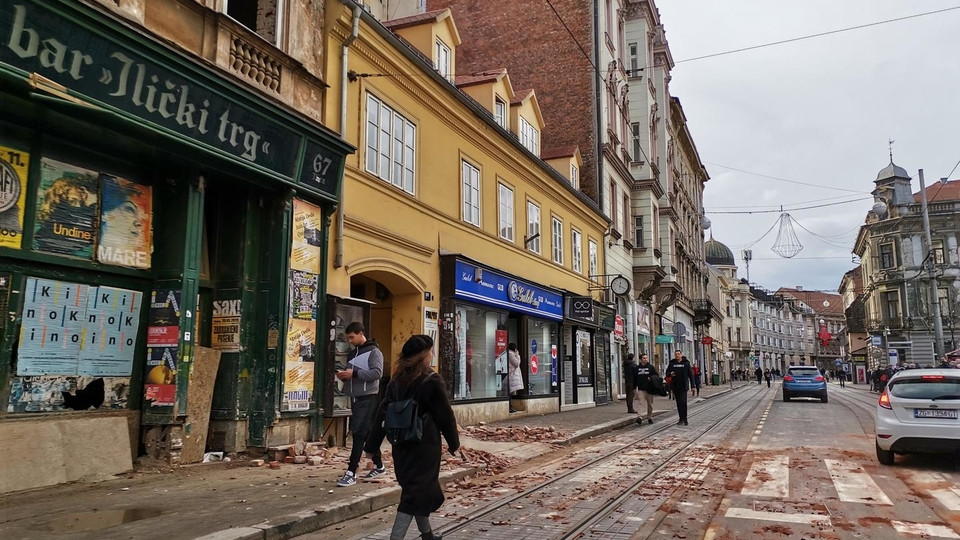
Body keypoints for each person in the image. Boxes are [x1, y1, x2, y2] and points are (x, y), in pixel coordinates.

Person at [364, 335, 459, 540]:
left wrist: (371, 446)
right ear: (424, 356)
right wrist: (454, 444)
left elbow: (382, 413)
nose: (432, 355)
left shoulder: (396, 380)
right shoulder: (431, 380)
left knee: (418, 490)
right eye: (431, 351)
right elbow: (445, 416)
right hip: (425, 447)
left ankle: (427, 535)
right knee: (414, 495)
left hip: (401, 445)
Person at [335, 322, 386, 487]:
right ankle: (379, 466)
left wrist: (354, 374)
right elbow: (353, 374)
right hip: (355, 397)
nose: (350, 340)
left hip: (368, 397)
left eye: (352, 337)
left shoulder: (374, 351)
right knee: (368, 433)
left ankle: (351, 472)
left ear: (360, 333)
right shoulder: (352, 353)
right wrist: (344, 376)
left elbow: (377, 373)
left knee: (358, 433)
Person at [667, 351, 695, 425]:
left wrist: (693, 386)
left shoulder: (686, 363)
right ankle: (681, 418)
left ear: (681, 355)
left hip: (683, 386)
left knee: (683, 402)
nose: (677, 355)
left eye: (678, 354)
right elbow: (667, 373)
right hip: (675, 386)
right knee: (679, 403)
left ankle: (684, 419)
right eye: (676, 354)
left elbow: (691, 375)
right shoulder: (672, 363)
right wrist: (670, 374)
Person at [634, 353, 658, 425]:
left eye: (646, 358)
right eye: (644, 358)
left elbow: (656, 376)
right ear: (641, 359)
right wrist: (634, 388)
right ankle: (639, 417)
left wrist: (651, 378)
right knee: (640, 403)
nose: (645, 359)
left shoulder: (650, 367)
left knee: (650, 404)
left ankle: (649, 417)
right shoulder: (637, 368)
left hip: (649, 389)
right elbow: (635, 378)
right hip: (641, 388)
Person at [507, 343, 523, 413]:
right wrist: (518, 355)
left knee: (511, 392)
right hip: (511, 375)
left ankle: (510, 406)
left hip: (512, 375)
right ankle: (509, 407)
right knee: (509, 392)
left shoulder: (511, 354)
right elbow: (516, 363)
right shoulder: (511, 354)